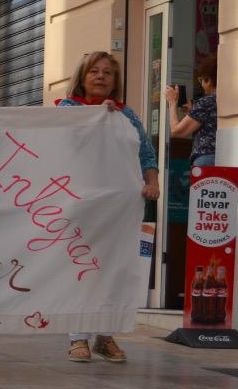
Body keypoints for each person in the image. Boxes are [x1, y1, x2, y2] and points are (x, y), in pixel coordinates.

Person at [58, 50, 159, 363]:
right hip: (81, 202)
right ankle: (77, 337)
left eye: (108, 73)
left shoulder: (127, 114)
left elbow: (145, 152)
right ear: (83, 77)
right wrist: (98, 118)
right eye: (94, 71)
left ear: (116, 81)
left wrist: (151, 182)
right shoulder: (67, 108)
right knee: (82, 266)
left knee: (113, 269)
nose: (101, 76)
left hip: (118, 205)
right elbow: (61, 145)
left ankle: (105, 335)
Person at [165, 56, 217, 166]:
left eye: (201, 80)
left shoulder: (206, 102)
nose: (201, 84)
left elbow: (176, 131)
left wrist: (172, 102)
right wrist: (192, 112)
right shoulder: (223, 100)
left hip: (206, 159)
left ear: (208, 80)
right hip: (222, 158)